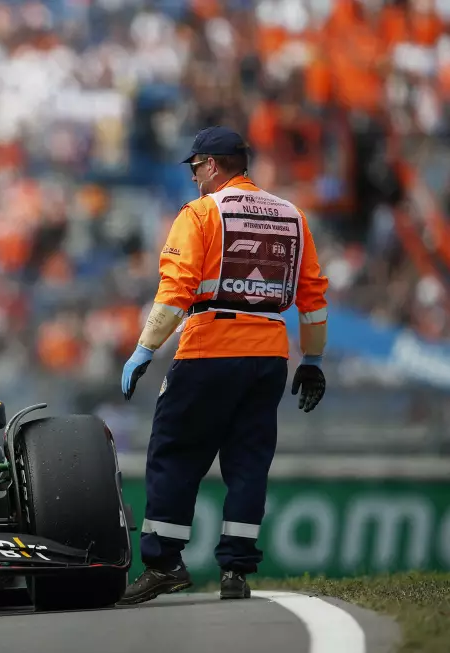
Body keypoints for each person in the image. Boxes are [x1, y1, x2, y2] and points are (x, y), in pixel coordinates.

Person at [118, 126, 329, 604]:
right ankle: (236, 570)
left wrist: (145, 349)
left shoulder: (200, 213)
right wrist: (313, 359)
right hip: (270, 354)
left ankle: (164, 563)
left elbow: (175, 293)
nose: (194, 177)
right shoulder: (292, 215)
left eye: (195, 167)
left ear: (212, 165)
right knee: (249, 462)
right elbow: (313, 296)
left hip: (209, 347)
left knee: (174, 454)